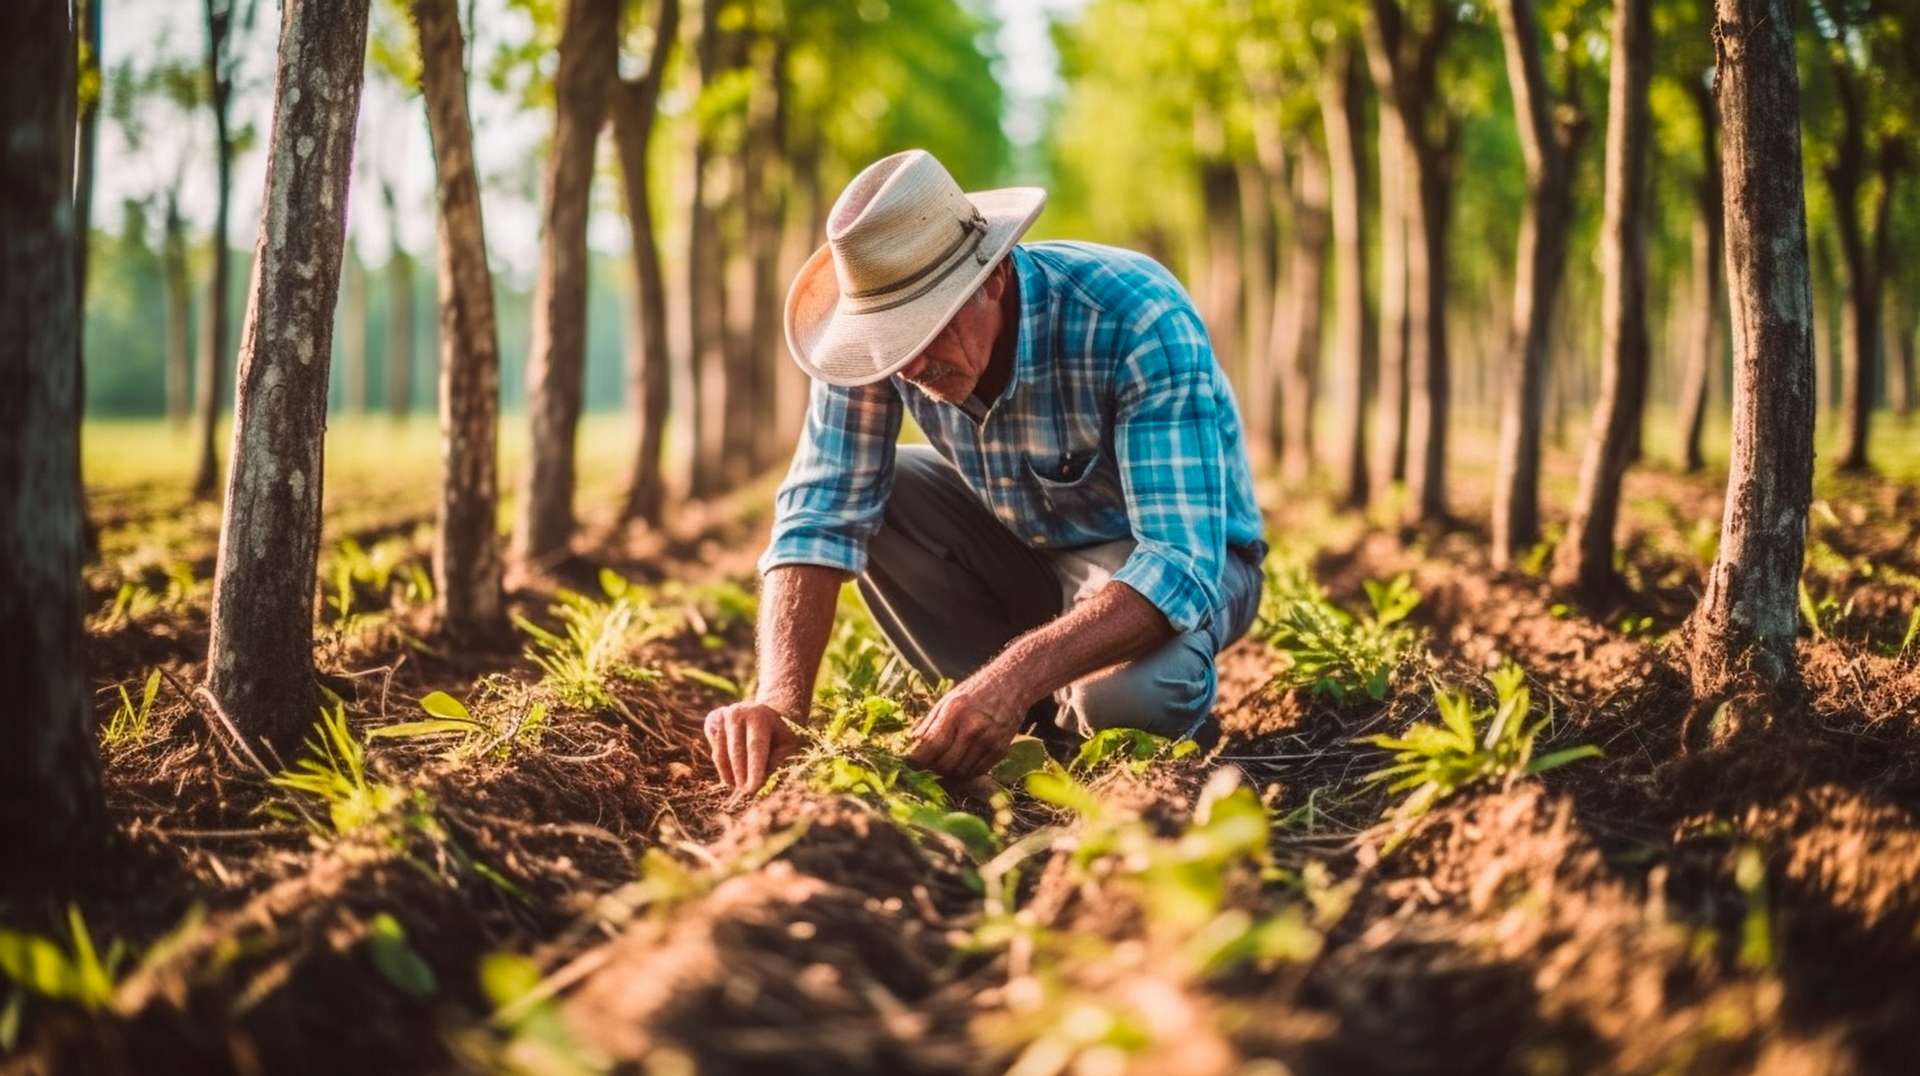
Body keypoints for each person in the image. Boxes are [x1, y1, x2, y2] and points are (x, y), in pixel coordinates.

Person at [704, 149, 1265, 795]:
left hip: (1172, 555)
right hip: (1024, 549)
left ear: (993, 278)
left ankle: (1053, 706)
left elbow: (1179, 562)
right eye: (889, 342)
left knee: (1126, 706)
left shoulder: (1134, 315)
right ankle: (1003, 716)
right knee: (878, 496)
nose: (907, 367)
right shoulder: (880, 352)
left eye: (926, 332)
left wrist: (1016, 673)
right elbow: (820, 513)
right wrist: (779, 699)